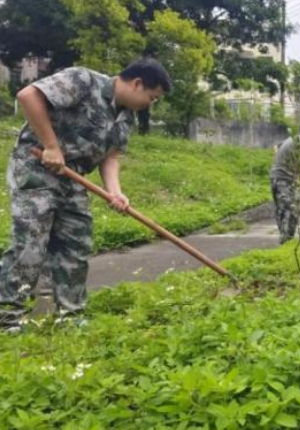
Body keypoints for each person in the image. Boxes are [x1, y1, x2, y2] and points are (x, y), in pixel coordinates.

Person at [0, 58, 171, 333]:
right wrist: (51, 145)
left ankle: (70, 316)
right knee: (31, 242)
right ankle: (8, 317)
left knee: (76, 242)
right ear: (137, 83)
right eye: (152, 97)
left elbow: (111, 156)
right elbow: (28, 95)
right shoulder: (83, 80)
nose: (150, 104)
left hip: (73, 177)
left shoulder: (125, 115)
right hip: (36, 167)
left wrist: (115, 191)